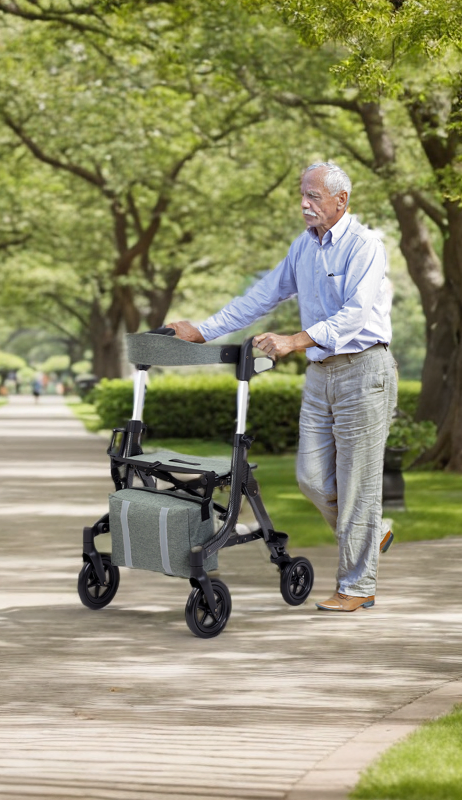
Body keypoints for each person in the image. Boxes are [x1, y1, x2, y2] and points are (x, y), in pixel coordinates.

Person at [168, 162, 397, 612]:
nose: (303, 204)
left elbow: (353, 316)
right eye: (302, 194)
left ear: (341, 200)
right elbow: (262, 295)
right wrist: (204, 329)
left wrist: (293, 340)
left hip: (364, 370)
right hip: (321, 373)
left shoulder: (365, 245)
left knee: (357, 487)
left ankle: (357, 586)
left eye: (313, 196)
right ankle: (374, 532)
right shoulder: (303, 248)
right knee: (311, 479)